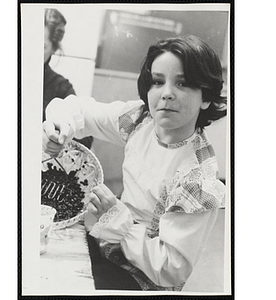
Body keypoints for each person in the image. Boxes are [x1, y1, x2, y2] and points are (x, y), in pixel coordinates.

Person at [42, 35, 227, 291]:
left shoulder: (198, 180)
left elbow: (171, 268)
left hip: (141, 279)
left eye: (183, 83)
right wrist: (60, 127)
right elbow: (82, 111)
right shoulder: (141, 119)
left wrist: (116, 219)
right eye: (157, 82)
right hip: (107, 242)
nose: (166, 94)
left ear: (206, 96)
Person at [43, 8, 92, 149]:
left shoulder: (61, 86)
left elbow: (87, 138)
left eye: (42, 46)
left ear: (54, 49)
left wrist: (59, 135)